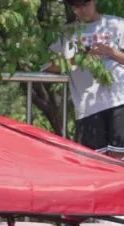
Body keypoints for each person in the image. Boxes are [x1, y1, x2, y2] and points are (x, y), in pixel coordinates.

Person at [48, 0, 124, 156]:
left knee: (119, 157)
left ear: (95, 1)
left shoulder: (117, 24)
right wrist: (78, 59)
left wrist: (111, 52)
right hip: (88, 106)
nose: (82, 10)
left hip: (119, 101)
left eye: (85, 4)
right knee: (96, 159)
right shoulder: (66, 33)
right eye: (76, 6)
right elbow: (48, 66)